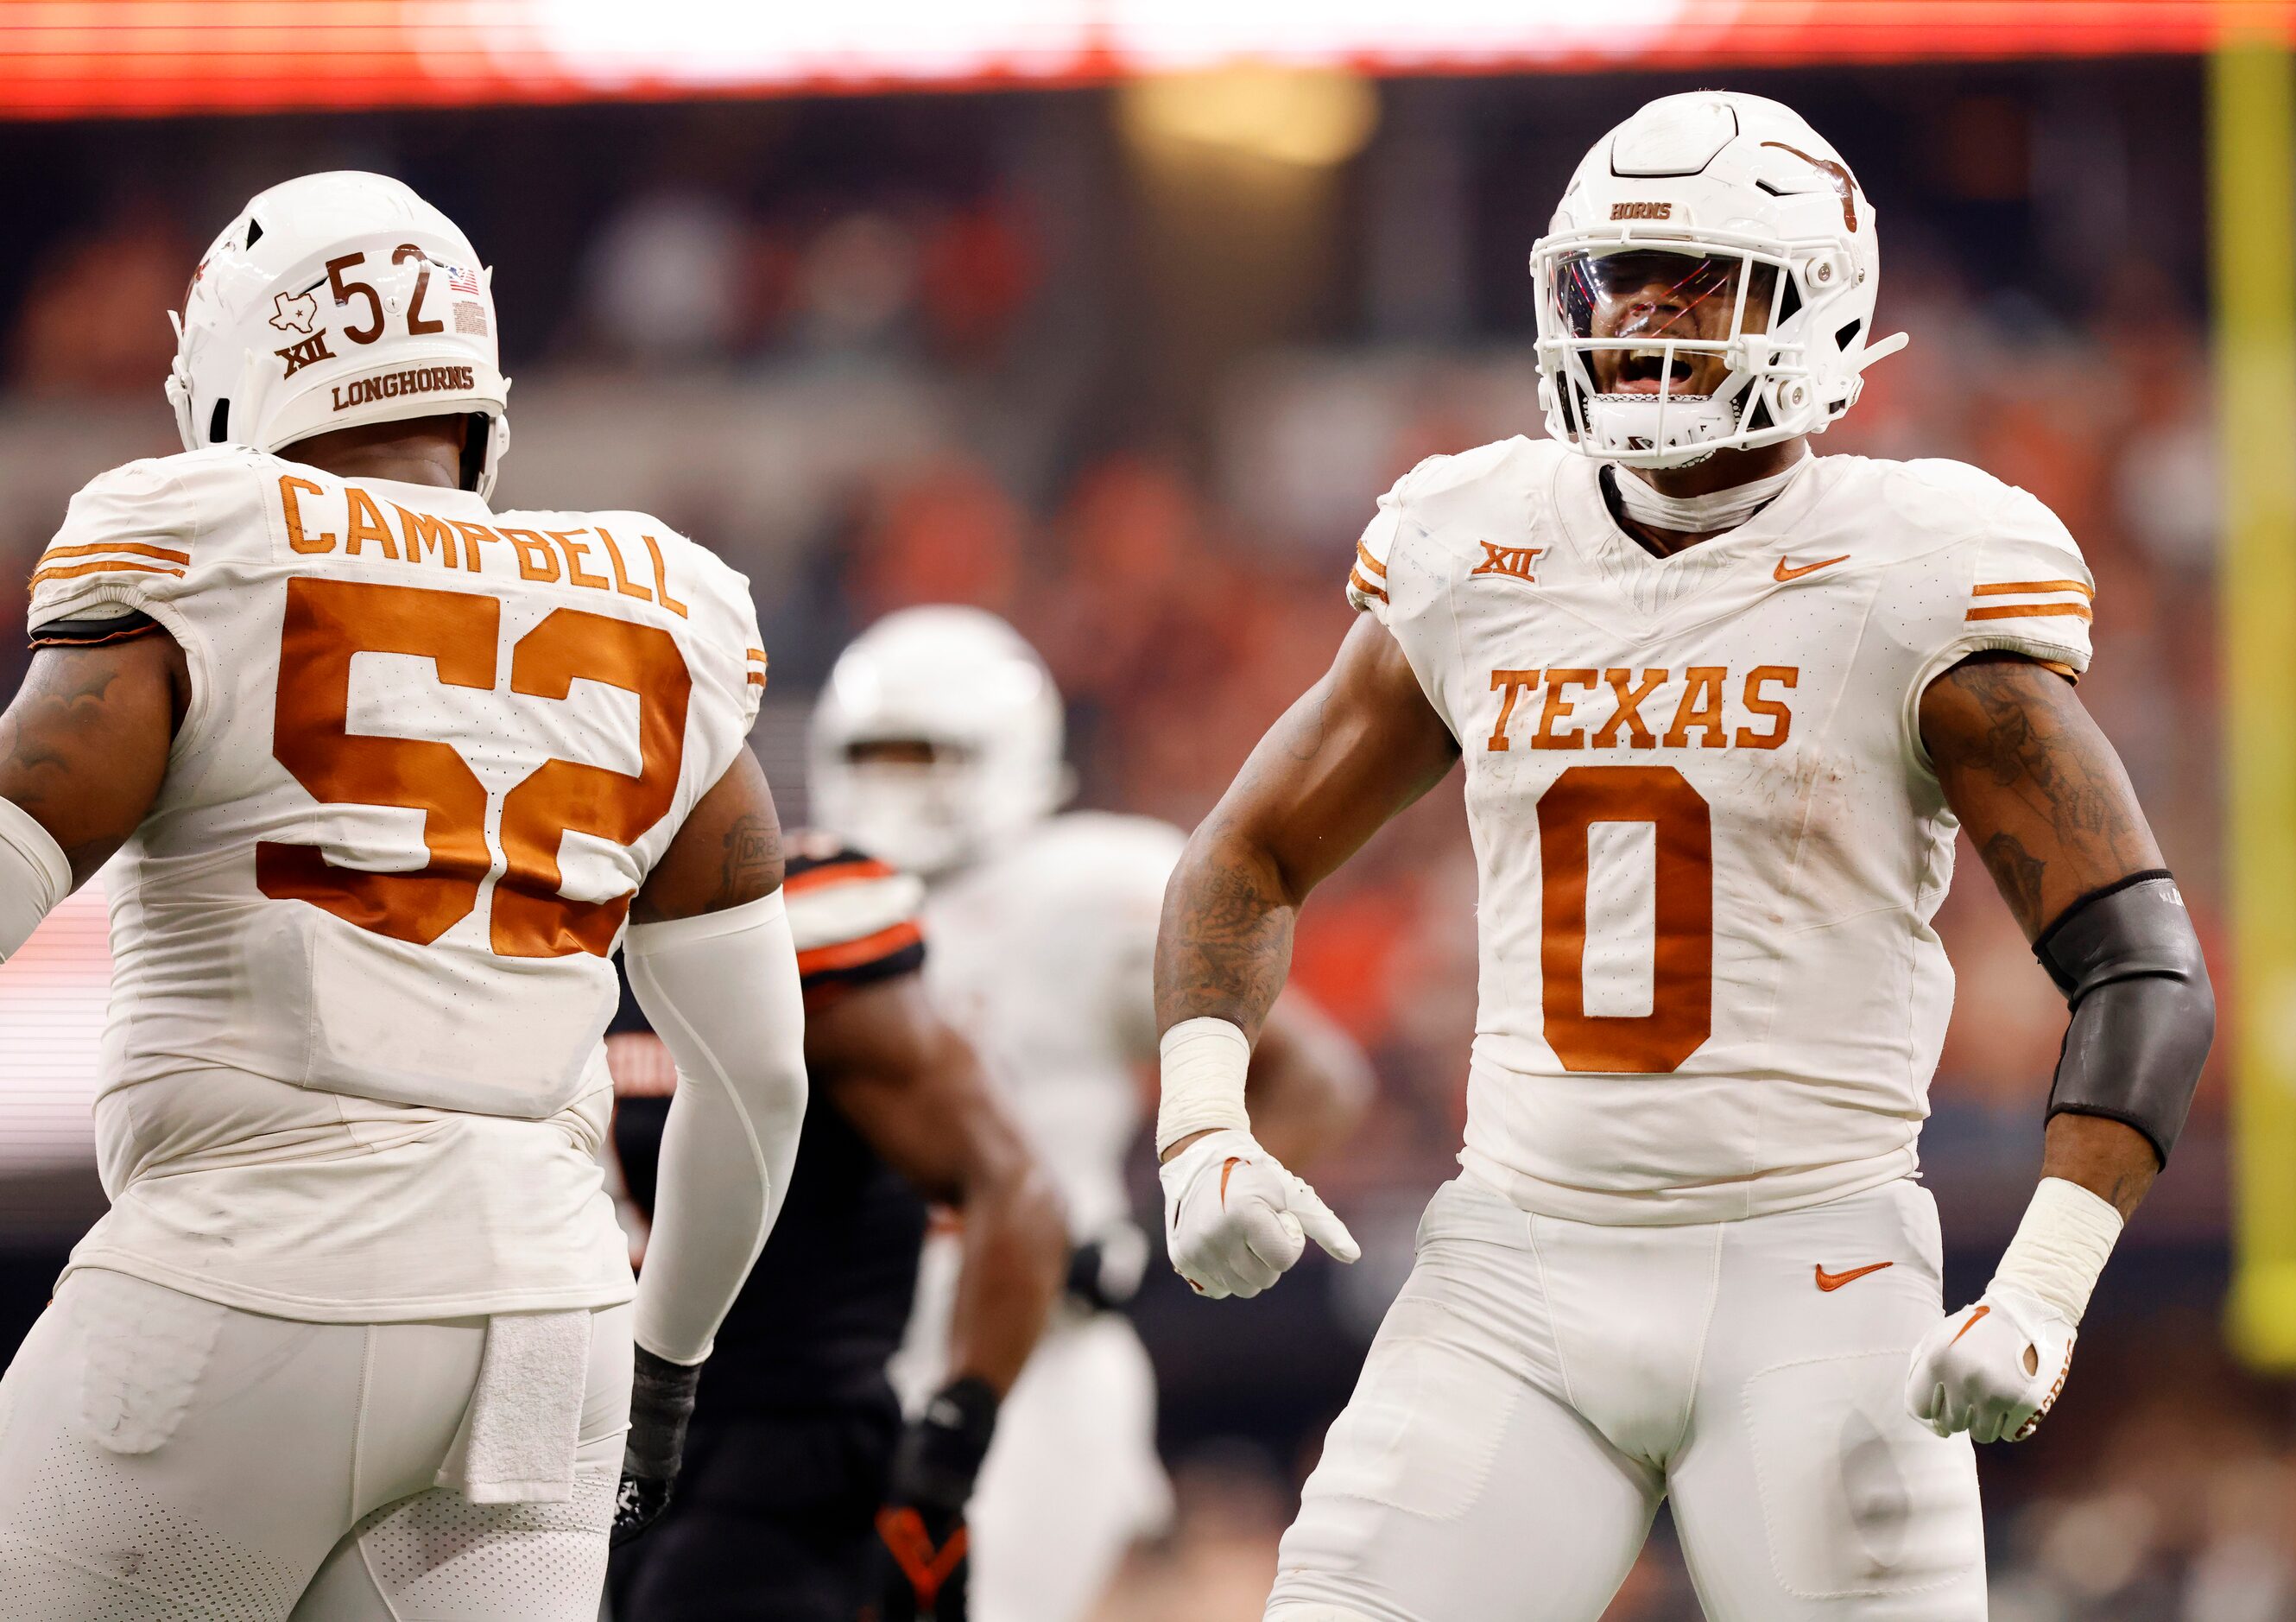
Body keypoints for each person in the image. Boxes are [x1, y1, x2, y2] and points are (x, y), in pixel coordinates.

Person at [1148, 91, 2215, 1621]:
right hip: (1509, 1264)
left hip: (1814, 1275)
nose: (1644, 315)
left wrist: (2040, 1290)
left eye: (1701, 276)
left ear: (1818, 311)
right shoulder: (1475, 544)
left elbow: (2141, 967)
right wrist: (1201, 1130)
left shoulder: (1909, 569)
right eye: (1616, 278)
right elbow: (1241, 855)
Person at [0, 172, 809, 1620]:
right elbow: (757, 1080)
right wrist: (666, 1362)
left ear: (241, 375)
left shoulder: (206, 538)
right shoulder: (656, 605)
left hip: (242, 1276)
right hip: (545, 1322)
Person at [809, 605, 1373, 1622]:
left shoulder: (1090, 885)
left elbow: (1316, 1076)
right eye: (877, 757)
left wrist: (1159, 1237)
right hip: (835, 1356)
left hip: (1036, 1362)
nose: (900, 785)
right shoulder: (803, 896)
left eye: (928, 756)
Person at [604, 830, 1069, 1622]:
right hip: (593, 1437)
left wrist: (946, 1461)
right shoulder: (528, 900)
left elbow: (1012, 1184)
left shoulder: (786, 912)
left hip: (781, 1448)